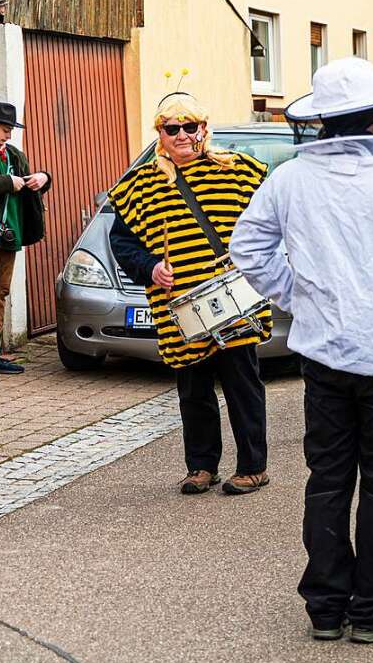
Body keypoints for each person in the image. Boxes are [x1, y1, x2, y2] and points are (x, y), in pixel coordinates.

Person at [230, 57, 373, 645]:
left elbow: (249, 249)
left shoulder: (288, 179)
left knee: (328, 479)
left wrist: (298, 295)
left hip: (326, 354)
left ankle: (328, 606)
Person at [109, 92, 271, 495]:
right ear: (160, 134)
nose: (182, 135)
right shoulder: (139, 186)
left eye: (189, 126)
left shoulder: (238, 171)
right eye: (171, 128)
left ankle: (253, 466)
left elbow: (270, 222)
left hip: (232, 300)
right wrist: (151, 268)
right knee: (193, 390)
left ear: (203, 128)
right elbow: (122, 244)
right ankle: (201, 466)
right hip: (176, 305)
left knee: (242, 386)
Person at [0, 100, 51, 382]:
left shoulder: (14, 154)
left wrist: (43, 177)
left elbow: (29, 182)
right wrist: (6, 182)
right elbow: (4, 183)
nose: (9, 135)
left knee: (0, 292)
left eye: (10, 129)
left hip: (9, 235)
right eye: (4, 129)